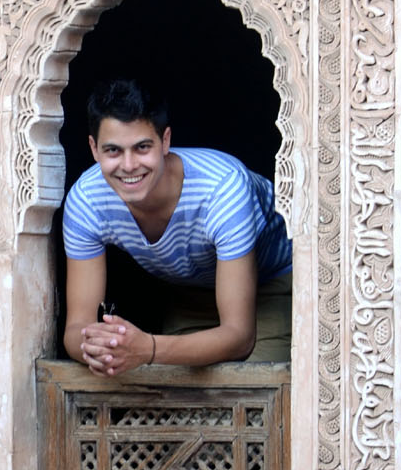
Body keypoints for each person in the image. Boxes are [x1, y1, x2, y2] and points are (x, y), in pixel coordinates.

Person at [62, 77, 292, 377]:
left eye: (142, 147)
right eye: (113, 151)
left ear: (165, 141)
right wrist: (102, 348)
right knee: (170, 401)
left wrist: (148, 350)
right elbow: (75, 329)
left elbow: (239, 336)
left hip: (270, 286)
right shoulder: (87, 201)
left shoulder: (222, 189)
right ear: (94, 149)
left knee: (255, 389)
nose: (129, 165)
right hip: (189, 293)